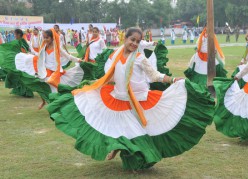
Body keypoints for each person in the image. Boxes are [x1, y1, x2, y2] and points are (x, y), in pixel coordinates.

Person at [46, 27, 215, 170]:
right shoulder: (116, 55)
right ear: (125, 39)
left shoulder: (140, 58)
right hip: (119, 98)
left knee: (137, 131)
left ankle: (128, 152)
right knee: (114, 125)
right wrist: (94, 85)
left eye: (137, 41)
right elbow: (112, 76)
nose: (134, 43)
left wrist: (171, 79)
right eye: (131, 40)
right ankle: (116, 147)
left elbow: (154, 75)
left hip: (140, 100)